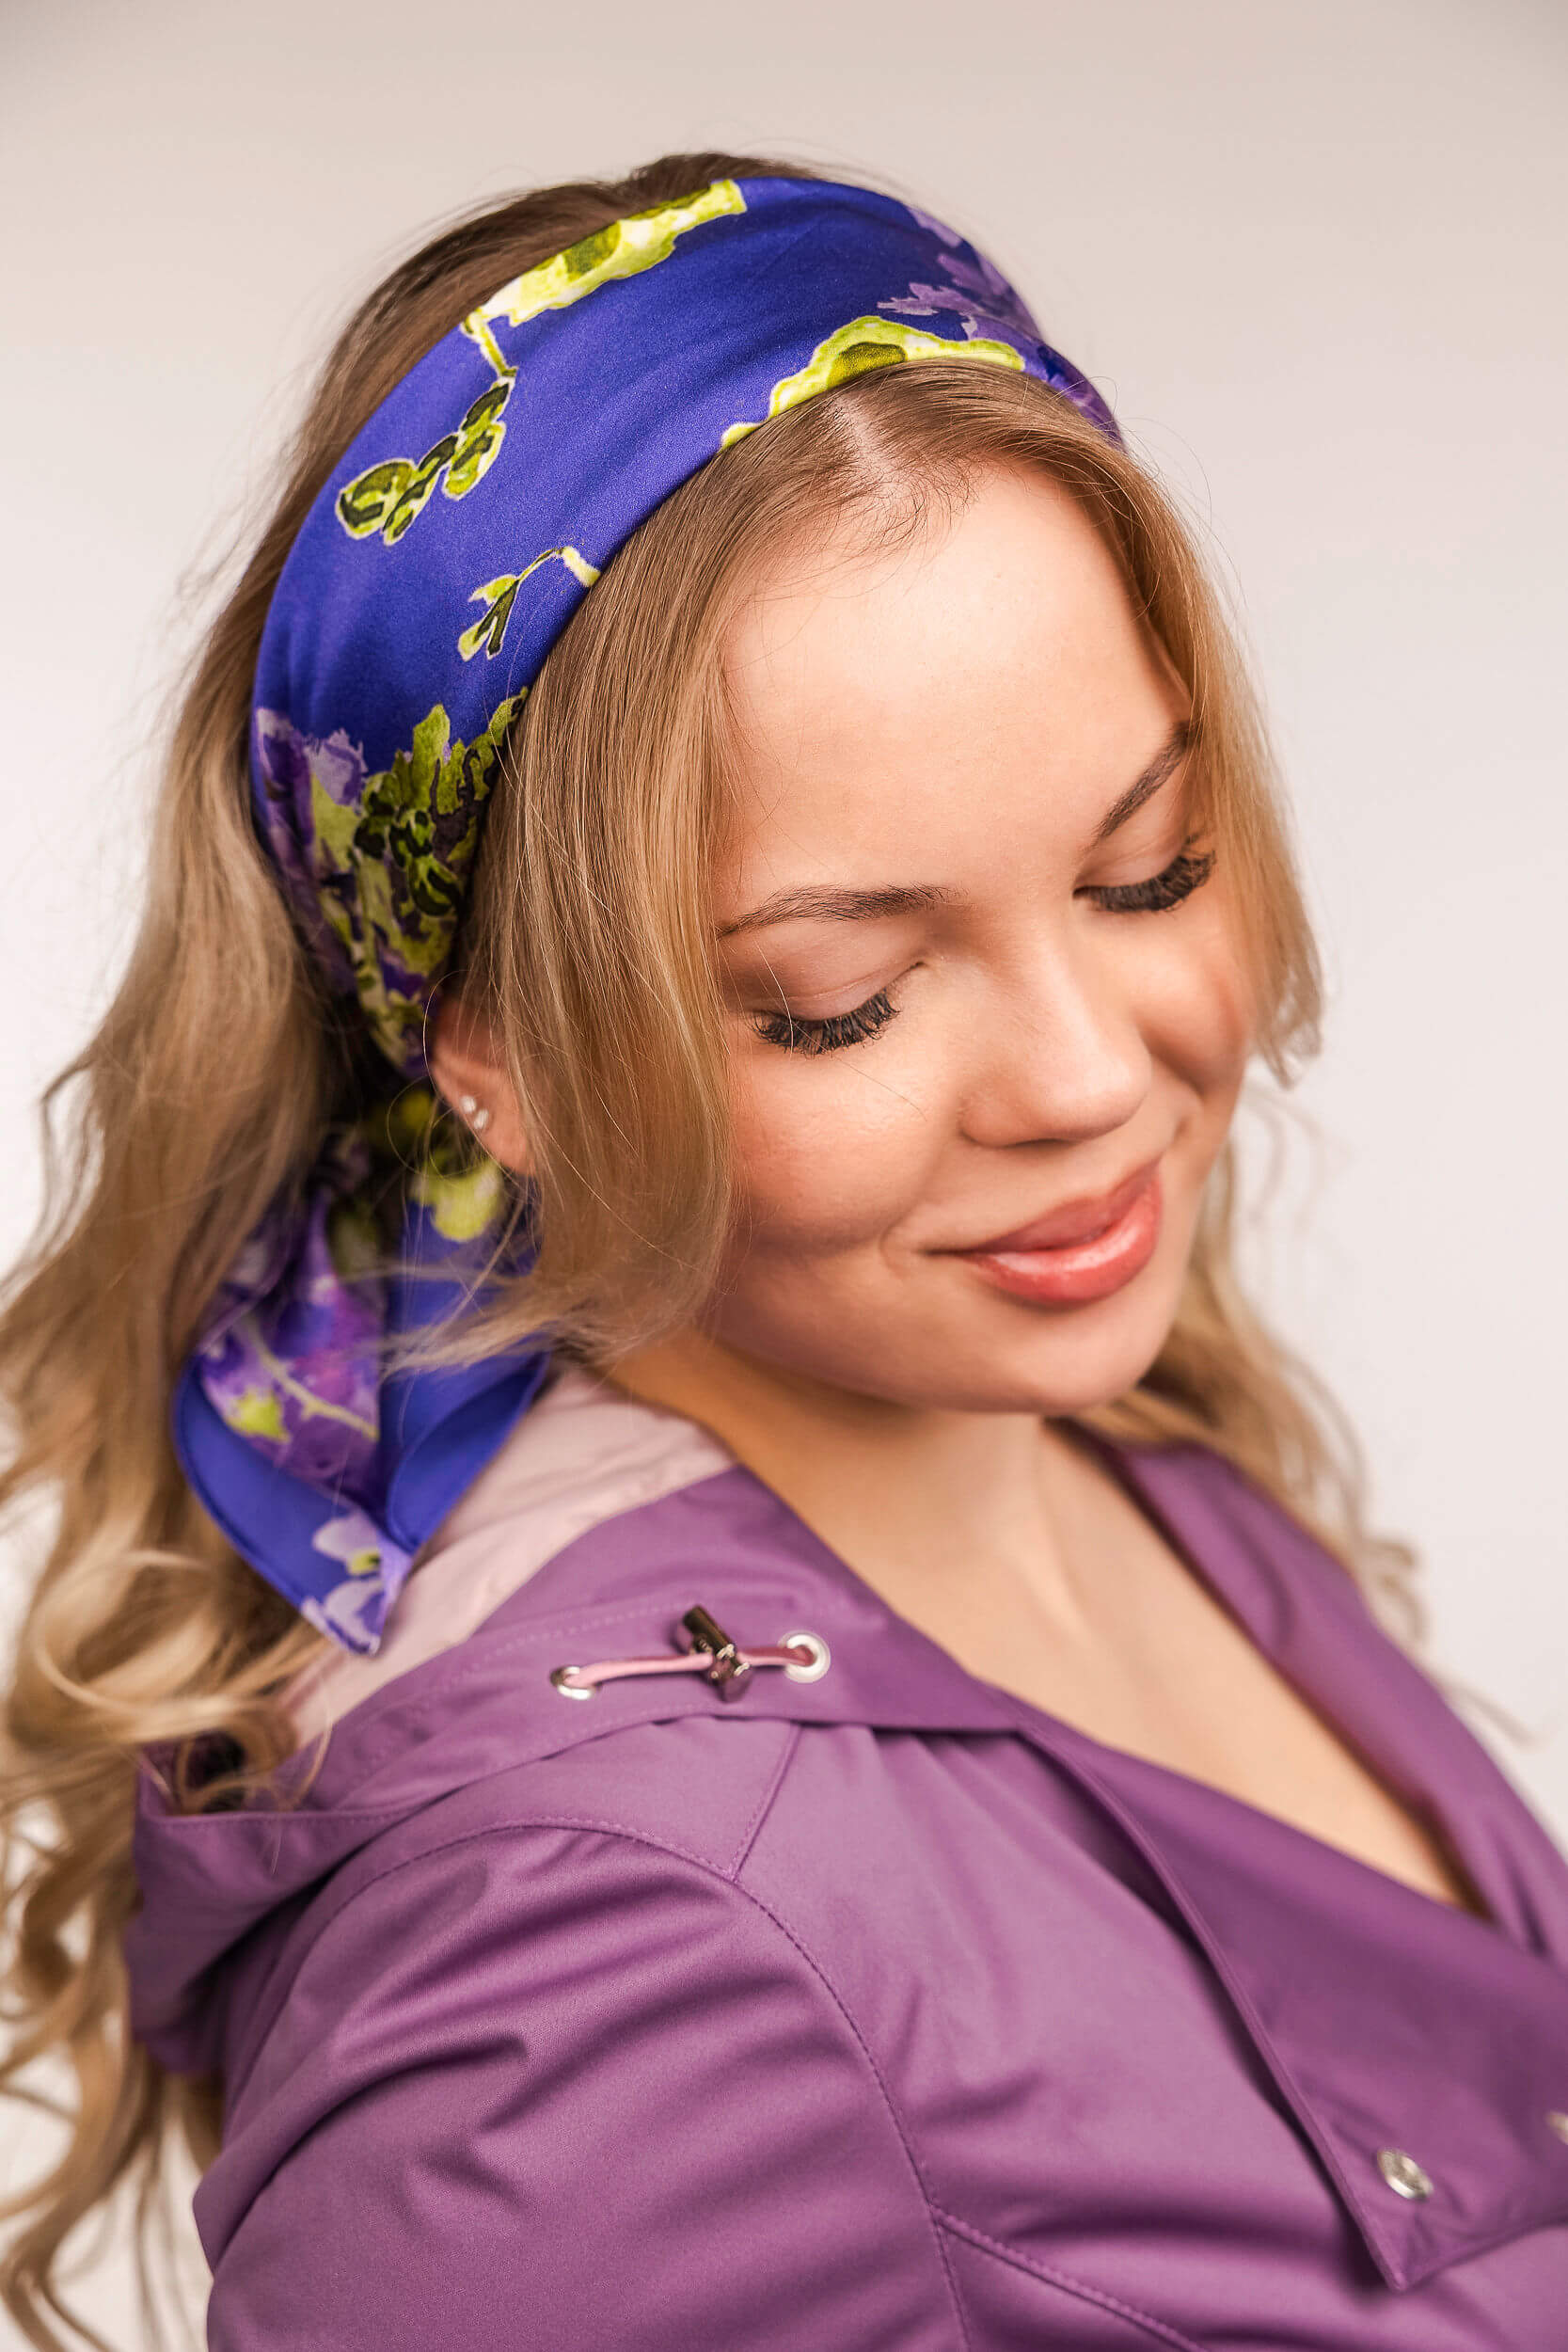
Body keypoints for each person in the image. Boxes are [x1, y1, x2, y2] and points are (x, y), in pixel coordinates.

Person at [3, 148, 1565, 2351]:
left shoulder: (1123, 1440)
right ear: (496, 1056)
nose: (1087, 1075)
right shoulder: (585, 1962)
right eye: (842, 991)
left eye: (1148, 868)